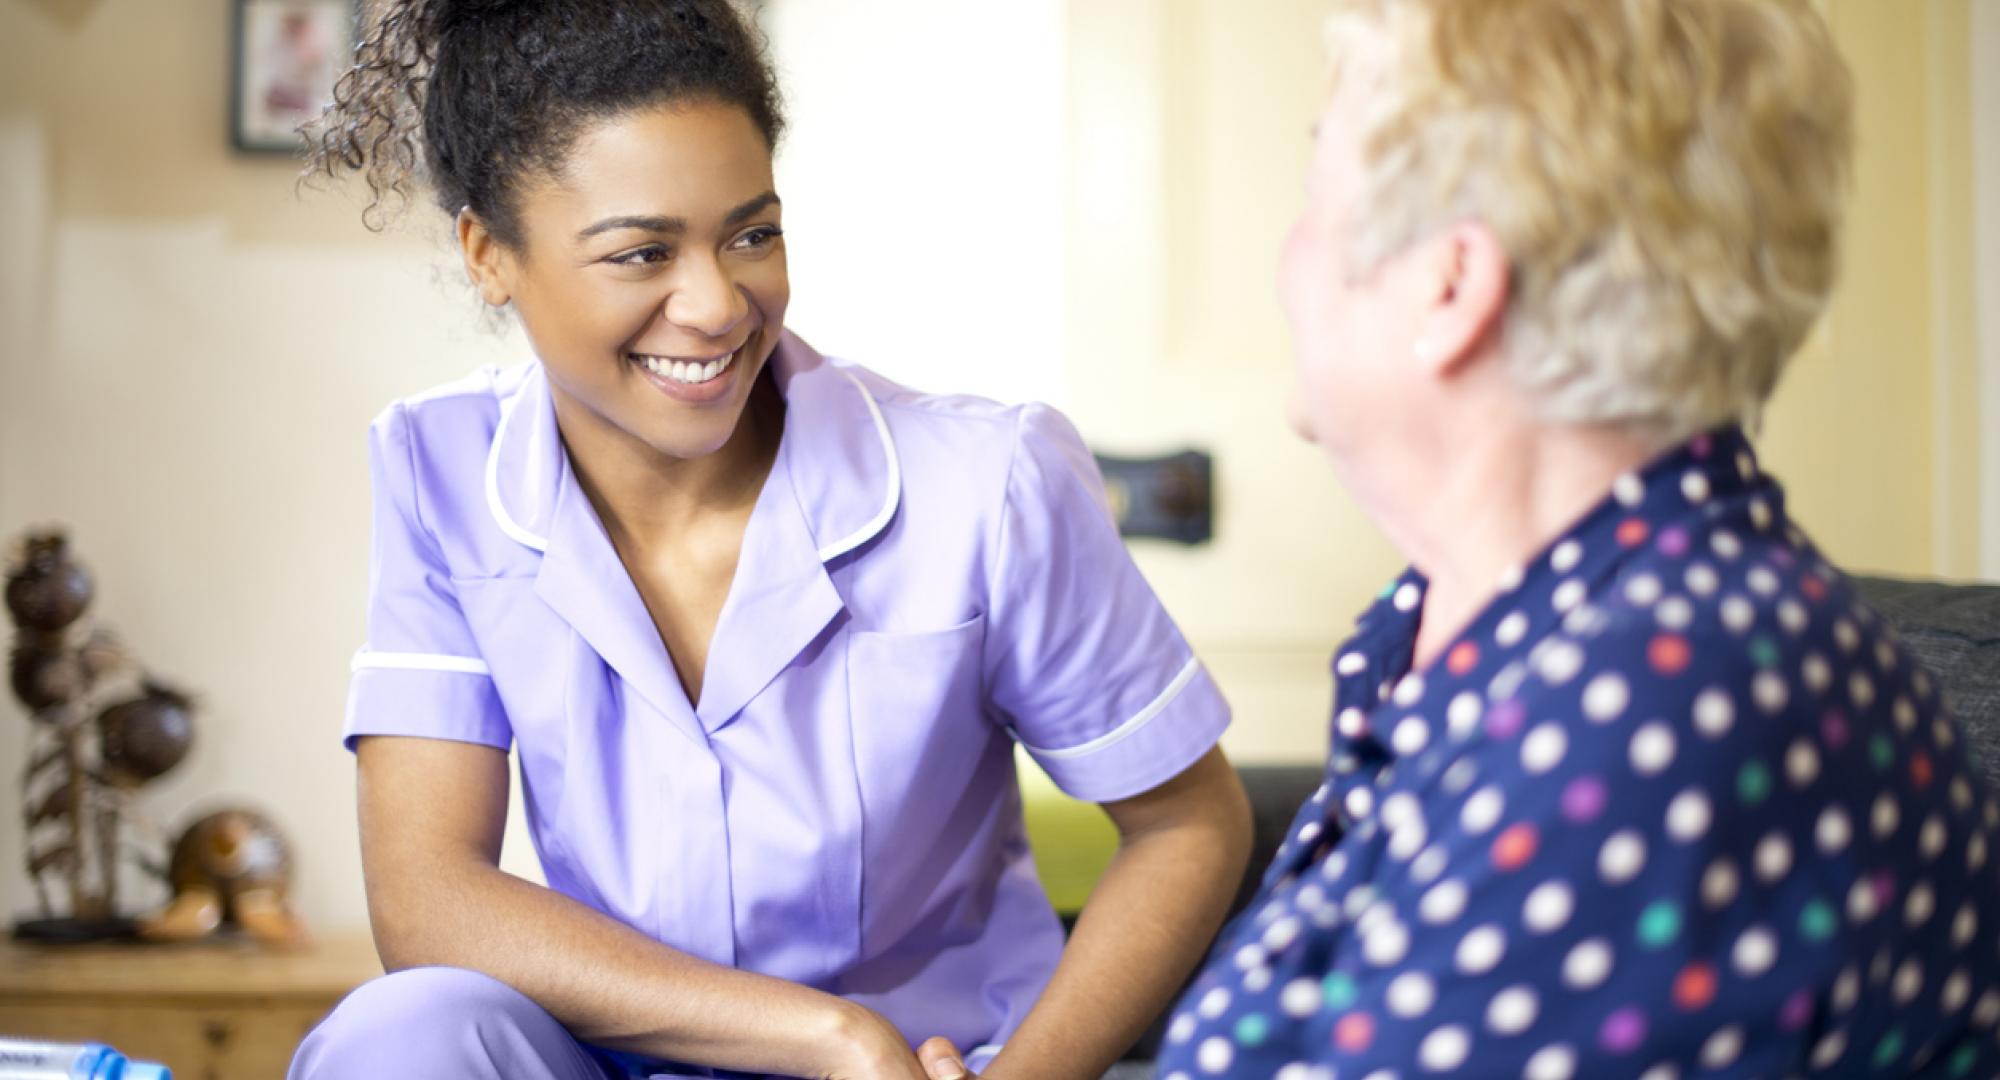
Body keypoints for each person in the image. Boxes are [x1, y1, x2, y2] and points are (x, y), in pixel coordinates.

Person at [287, 3, 1251, 1078]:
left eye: (751, 233)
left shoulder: (988, 483)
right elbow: (429, 900)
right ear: (488, 254)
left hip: (947, 1069)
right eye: (641, 252)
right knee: (399, 1039)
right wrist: (828, 1036)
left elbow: (1187, 825)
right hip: (638, 1062)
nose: (714, 305)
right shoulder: (439, 470)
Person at [1155, 0, 2000, 1076]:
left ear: (1449, 286)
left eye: (1313, 191)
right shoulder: (1454, 627)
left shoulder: (1676, 692)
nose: (1286, 254)